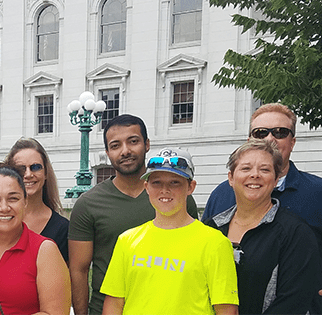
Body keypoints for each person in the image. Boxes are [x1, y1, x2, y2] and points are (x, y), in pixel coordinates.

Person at [68, 114, 199, 315]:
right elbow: (79, 270)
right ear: (107, 152)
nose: (125, 151)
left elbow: (192, 258)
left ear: (147, 144)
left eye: (133, 141)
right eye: (115, 145)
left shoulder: (176, 199)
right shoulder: (88, 204)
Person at [101, 148, 239, 315]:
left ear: (190, 187)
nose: (164, 190)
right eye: (156, 182)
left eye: (175, 182)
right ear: (146, 187)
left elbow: (226, 309)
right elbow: (114, 303)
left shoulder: (215, 243)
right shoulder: (127, 240)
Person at [204, 139, 321, 314]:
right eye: (246, 168)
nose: (255, 175)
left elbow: (294, 301)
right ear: (230, 178)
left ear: (275, 180)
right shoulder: (211, 228)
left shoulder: (296, 234)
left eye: (265, 169)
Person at [0, 163, 71, 315]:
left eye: (13, 198)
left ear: (25, 202)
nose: (4, 207)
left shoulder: (45, 251)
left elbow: (56, 313)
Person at [202, 103, 322, 243]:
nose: (270, 139)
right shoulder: (221, 194)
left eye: (280, 132)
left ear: (292, 142)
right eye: (260, 133)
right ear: (249, 142)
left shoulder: (317, 192)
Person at [0, 137, 69, 261]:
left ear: (46, 173)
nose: (28, 174)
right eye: (21, 169)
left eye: (36, 167)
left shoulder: (62, 228)